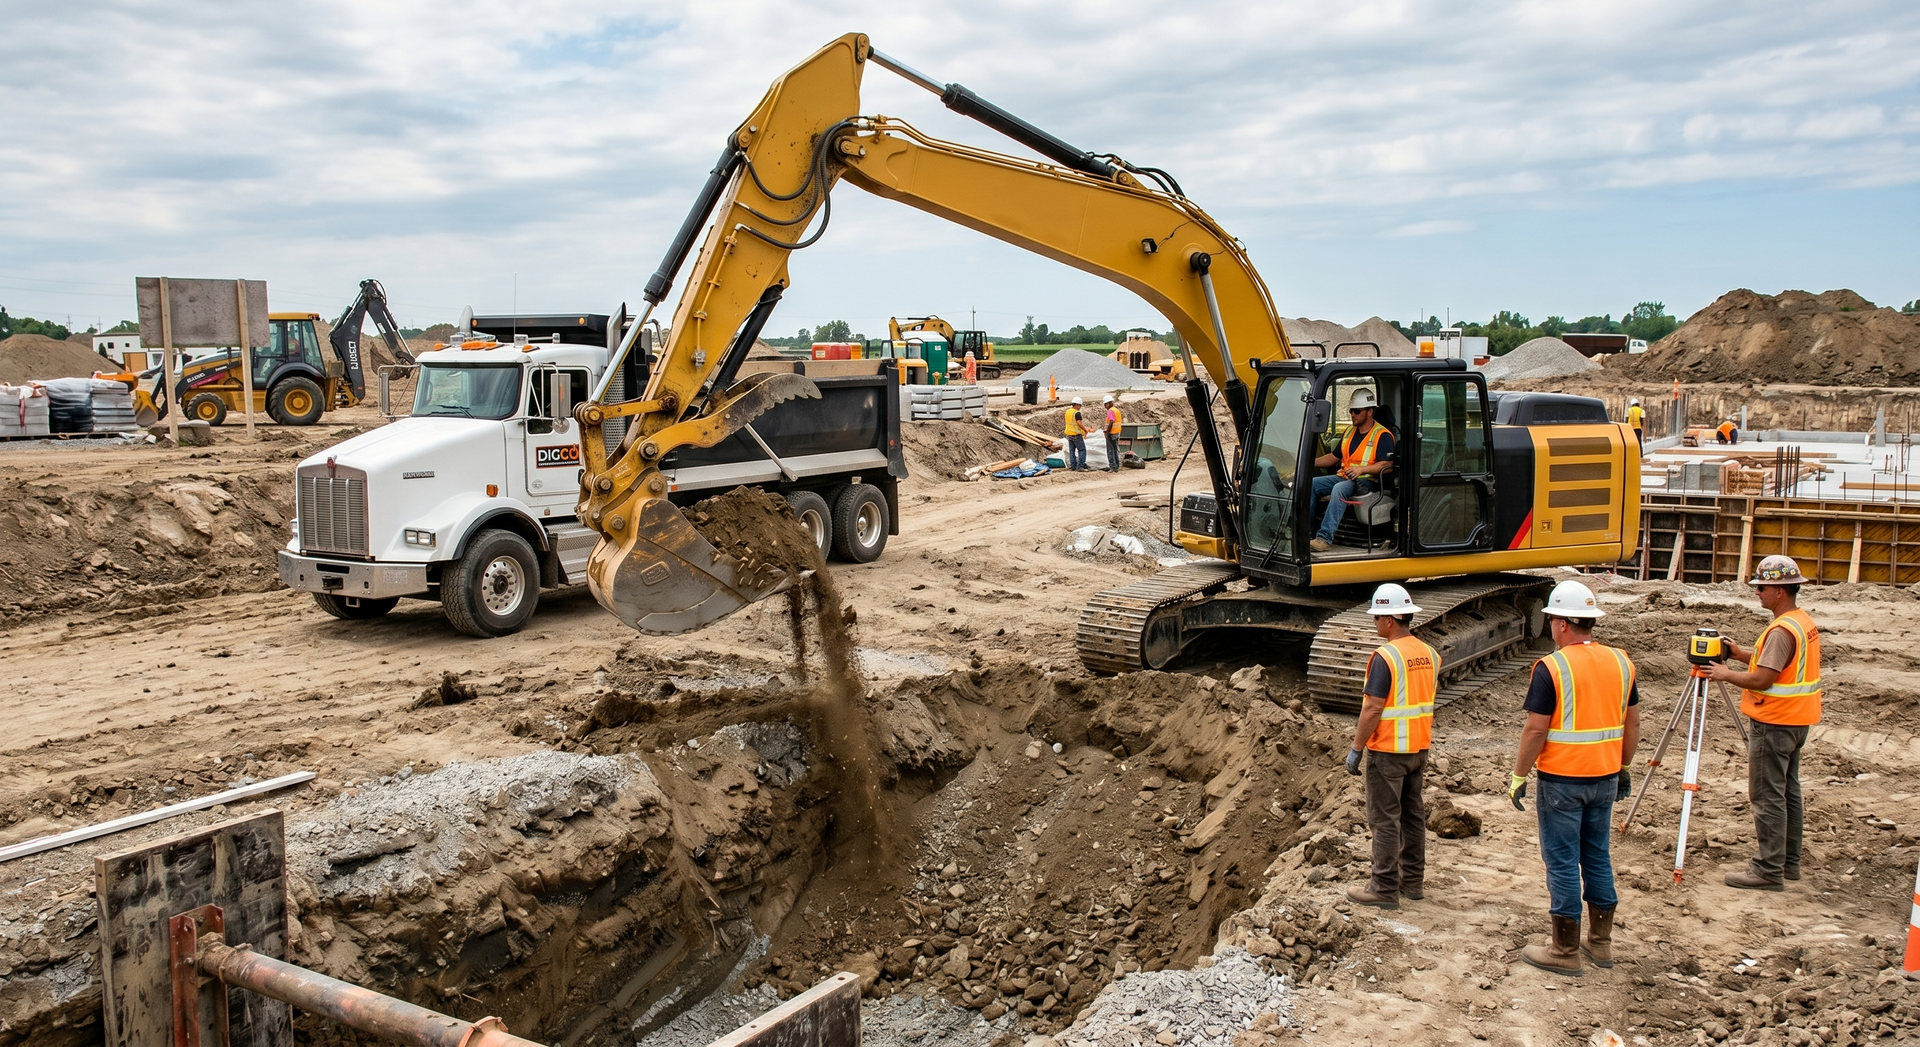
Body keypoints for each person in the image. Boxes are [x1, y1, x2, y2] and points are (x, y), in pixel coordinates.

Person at [1509, 579, 1640, 976]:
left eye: (1551, 620)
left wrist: (1519, 775)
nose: (1550, 627)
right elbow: (1632, 722)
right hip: (1604, 776)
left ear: (1563, 623)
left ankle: (1564, 949)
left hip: (1563, 781)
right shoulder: (1621, 662)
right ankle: (1600, 944)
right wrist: (1624, 767)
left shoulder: (1553, 667)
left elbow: (1535, 730)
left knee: (1562, 859)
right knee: (1597, 855)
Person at [1704, 555, 1821, 890]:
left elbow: (1764, 679)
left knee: (1767, 795)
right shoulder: (1800, 622)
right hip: (1797, 720)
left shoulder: (1782, 630)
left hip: (1775, 722)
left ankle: (1768, 870)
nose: (1758, 592)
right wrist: (1741, 654)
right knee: (1788, 792)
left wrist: (1726, 674)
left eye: (1763, 587)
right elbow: (1778, 665)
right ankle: (1789, 864)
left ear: (1781, 591)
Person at [1343, 583, 1439, 909]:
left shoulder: (1386, 657)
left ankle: (1383, 887)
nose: (1374, 624)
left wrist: (1357, 748)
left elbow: (1372, 708)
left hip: (1388, 751)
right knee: (1412, 815)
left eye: (1377, 618)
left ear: (1389, 620)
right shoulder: (1429, 653)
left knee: (1384, 819)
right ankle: (1412, 882)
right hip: (1419, 747)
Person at [1309, 389, 1394, 552]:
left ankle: (1324, 538)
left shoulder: (1382, 435)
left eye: (1356, 411)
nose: (1352, 414)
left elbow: (1386, 465)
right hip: (1345, 478)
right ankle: (1306, 532)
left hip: (1368, 483)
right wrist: (1308, 463)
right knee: (1312, 485)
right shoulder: (1349, 432)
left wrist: (1361, 470)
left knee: (1339, 489)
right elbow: (1334, 457)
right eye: (1350, 411)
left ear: (1370, 411)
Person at [1063, 397, 1088, 471]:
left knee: (1072, 451)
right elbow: (1078, 422)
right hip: (1076, 434)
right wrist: (1085, 430)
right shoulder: (1076, 413)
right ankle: (1080, 466)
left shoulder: (1068, 411)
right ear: (1077, 405)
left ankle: (1073, 466)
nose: (1080, 407)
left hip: (1069, 434)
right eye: (1080, 405)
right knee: (1082, 450)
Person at [1103, 394, 1123, 473]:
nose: (1105, 406)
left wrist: (1107, 431)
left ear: (1108, 403)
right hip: (1116, 432)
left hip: (1111, 433)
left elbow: (1111, 421)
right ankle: (1117, 465)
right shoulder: (1116, 410)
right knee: (1115, 449)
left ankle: (1113, 466)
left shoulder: (1111, 411)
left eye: (1105, 404)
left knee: (1110, 450)